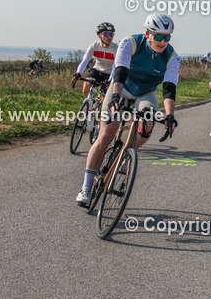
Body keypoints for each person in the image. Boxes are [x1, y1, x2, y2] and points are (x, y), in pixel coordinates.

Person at [75, 14, 179, 207]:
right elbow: (121, 70)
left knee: (147, 126)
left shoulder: (172, 57)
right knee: (105, 135)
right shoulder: (130, 42)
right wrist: (115, 95)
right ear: (148, 34)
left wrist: (170, 115)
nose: (163, 42)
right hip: (122, 87)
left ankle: (127, 151)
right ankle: (86, 187)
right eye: (158, 37)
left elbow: (169, 88)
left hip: (146, 92)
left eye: (167, 37)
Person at [71, 22, 117, 99]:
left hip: (110, 73)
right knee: (86, 85)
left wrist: (109, 80)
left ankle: (102, 109)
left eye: (111, 34)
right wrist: (78, 73)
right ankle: (89, 104)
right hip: (97, 70)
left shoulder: (116, 49)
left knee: (105, 98)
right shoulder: (94, 46)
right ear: (99, 36)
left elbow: (115, 67)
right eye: (106, 34)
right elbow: (85, 61)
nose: (109, 37)